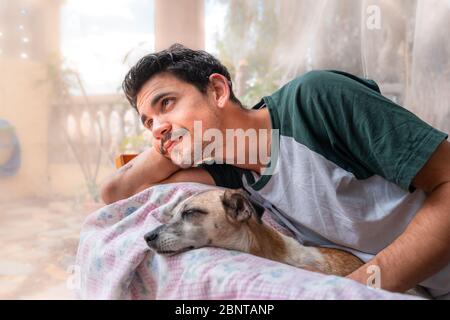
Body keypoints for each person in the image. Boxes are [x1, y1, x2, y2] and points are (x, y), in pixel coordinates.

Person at [100, 44, 450, 298]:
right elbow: (117, 194)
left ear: (218, 90)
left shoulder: (315, 101)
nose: (156, 127)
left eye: (167, 102)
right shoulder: (231, 176)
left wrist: (356, 290)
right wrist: (170, 132)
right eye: (148, 122)